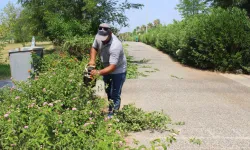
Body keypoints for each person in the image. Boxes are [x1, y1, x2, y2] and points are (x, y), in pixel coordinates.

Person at [88, 23, 127, 117]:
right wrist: (92, 60)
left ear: (110, 34)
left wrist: (98, 72)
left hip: (118, 70)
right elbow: (94, 47)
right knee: (108, 89)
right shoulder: (99, 36)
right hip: (106, 67)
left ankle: (113, 116)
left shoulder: (116, 45)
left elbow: (112, 67)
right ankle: (111, 108)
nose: (102, 41)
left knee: (115, 93)